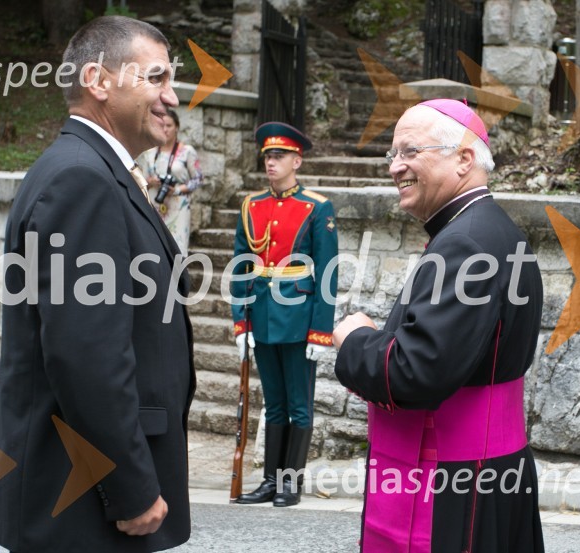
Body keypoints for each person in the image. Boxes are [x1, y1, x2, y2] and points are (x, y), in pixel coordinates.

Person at [0, 16, 195, 553]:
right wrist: (130, 489)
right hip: (84, 503)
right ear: (100, 81)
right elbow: (86, 355)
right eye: (156, 79)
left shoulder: (92, 170)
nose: (172, 97)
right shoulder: (83, 178)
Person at [333, 99, 545, 552]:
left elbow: (416, 371)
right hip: (491, 470)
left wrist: (355, 340)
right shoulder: (495, 230)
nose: (395, 167)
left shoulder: (465, 243)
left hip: (453, 479)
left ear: (464, 159)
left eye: (410, 152)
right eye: (393, 155)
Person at [231, 122, 338, 507]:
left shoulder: (316, 206)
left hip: (298, 315)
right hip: (261, 316)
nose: (271, 163)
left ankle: (290, 484)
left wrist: (320, 332)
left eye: (278, 156)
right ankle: (269, 482)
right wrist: (240, 321)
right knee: (273, 403)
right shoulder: (251, 206)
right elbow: (242, 264)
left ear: (297, 160)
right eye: (267, 157)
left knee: (298, 405)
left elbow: (327, 271)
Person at [137, 108, 203, 256]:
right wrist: (151, 181)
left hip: (178, 206)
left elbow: (198, 179)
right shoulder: (150, 152)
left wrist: (179, 189)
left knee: (177, 249)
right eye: (162, 125)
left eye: (169, 126)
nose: (165, 129)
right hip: (155, 204)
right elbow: (140, 179)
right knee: (154, 248)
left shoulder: (187, 151)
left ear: (177, 127)